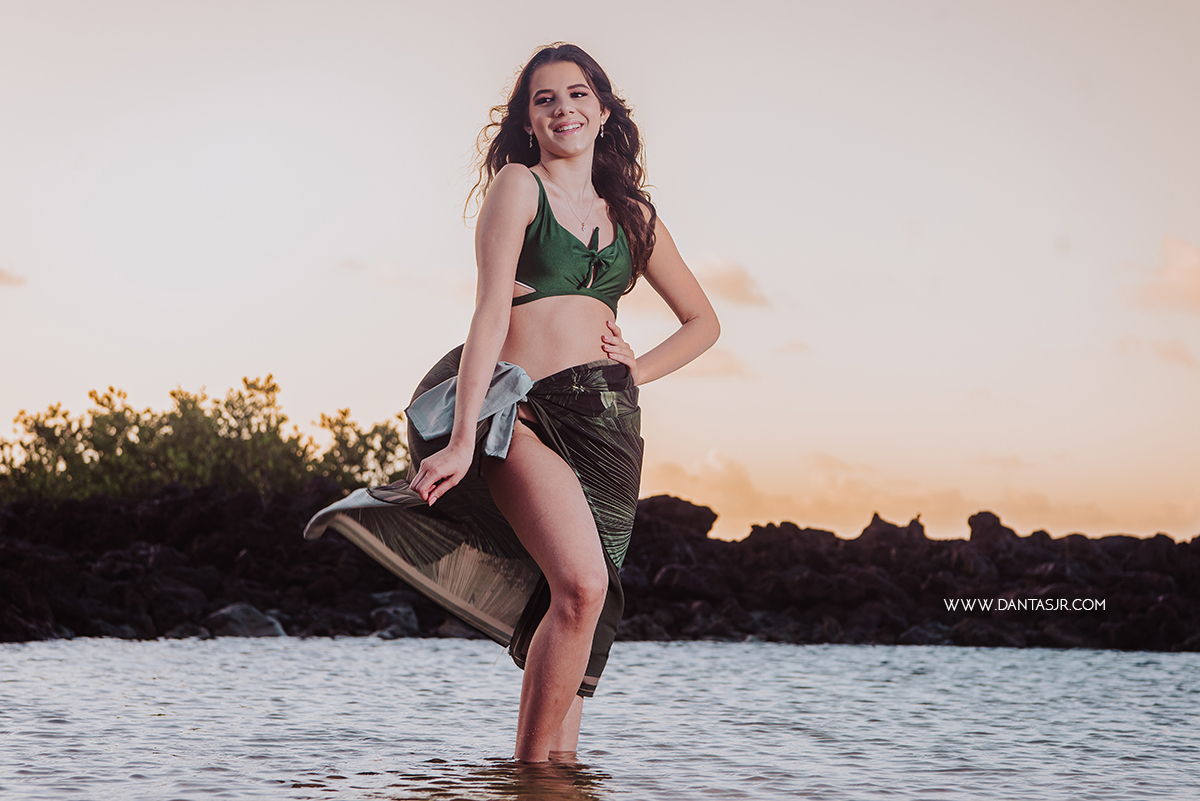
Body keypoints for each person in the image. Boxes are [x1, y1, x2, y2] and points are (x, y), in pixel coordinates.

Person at [304, 43, 719, 763]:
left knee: (584, 606)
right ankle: (526, 773)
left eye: (578, 94)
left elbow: (704, 322)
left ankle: (555, 777)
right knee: (583, 584)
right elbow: (489, 315)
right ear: (528, 121)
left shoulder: (633, 215)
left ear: (604, 109)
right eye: (544, 99)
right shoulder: (519, 187)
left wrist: (637, 370)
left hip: (608, 429)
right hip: (522, 411)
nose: (564, 109)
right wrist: (463, 438)